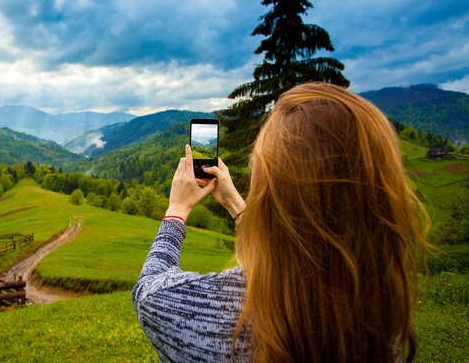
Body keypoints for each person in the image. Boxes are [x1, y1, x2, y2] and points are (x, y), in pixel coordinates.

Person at [132, 83, 428, 363]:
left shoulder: (195, 310)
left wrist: (177, 209)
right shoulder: (381, 316)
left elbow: (148, 289)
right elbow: (295, 245)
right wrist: (235, 204)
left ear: (270, 197)